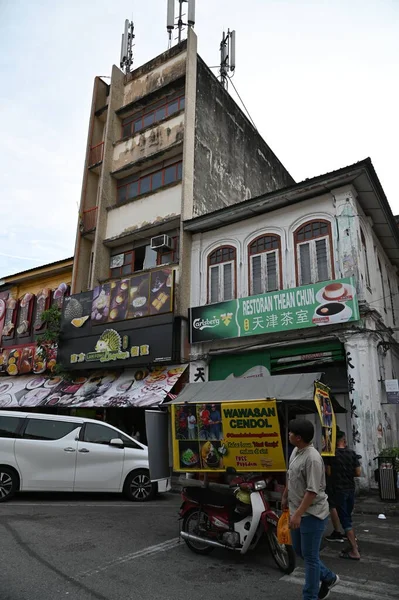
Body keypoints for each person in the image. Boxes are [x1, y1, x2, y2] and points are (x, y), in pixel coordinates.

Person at [282, 419, 339, 600]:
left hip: (312, 514)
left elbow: (312, 491)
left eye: (291, 433)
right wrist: (285, 496)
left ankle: (310, 596)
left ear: (298, 437)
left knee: (311, 558)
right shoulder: (296, 452)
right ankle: (329, 577)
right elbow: (291, 477)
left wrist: (298, 514)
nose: (288, 435)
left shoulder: (313, 458)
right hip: (296, 511)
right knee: (300, 551)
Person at [325, 430, 361, 560]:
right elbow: (358, 472)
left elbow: (328, 472)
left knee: (345, 520)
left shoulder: (331, 455)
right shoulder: (352, 454)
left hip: (338, 490)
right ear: (344, 440)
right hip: (350, 489)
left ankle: (354, 550)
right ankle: (353, 543)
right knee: (348, 517)